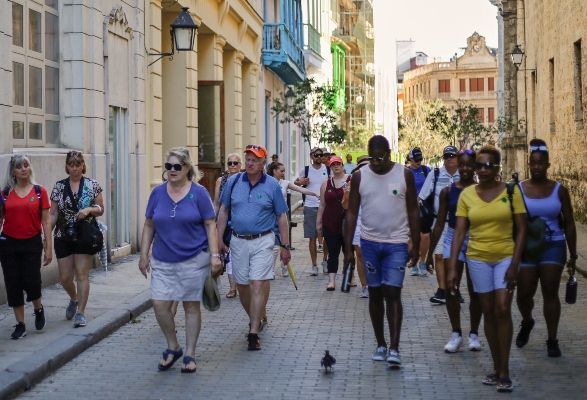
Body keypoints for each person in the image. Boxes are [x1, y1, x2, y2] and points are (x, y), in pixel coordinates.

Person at [447, 145, 526, 392]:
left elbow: (522, 229)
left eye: (487, 165)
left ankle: (505, 370)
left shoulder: (512, 192)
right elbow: (460, 232)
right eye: (479, 165)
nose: (481, 170)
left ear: (498, 168)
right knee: (489, 311)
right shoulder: (467, 195)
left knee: (503, 308)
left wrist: (515, 263)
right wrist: (451, 268)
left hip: (505, 256)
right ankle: (496, 366)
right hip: (477, 259)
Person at [139, 147, 221, 373]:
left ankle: (190, 353)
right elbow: (149, 225)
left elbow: (210, 225)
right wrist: (143, 255)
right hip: (163, 259)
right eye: (169, 167)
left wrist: (214, 256)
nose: (172, 171)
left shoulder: (199, 193)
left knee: (190, 306)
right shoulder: (157, 193)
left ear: (187, 169)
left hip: (194, 259)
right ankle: (173, 345)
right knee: (159, 303)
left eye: (177, 166)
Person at [344, 135, 421, 366]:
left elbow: (413, 211)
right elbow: (351, 212)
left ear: (388, 154)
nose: (375, 163)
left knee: (393, 292)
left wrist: (415, 245)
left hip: (396, 243)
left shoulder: (403, 174)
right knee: (375, 293)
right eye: (372, 158)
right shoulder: (360, 176)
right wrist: (348, 248)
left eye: (380, 158)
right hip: (369, 242)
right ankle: (380, 343)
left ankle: (395, 348)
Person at [217, 144, 291, 351]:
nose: (250, 163)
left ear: (263, 163)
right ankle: (257, 316)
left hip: (263, 240)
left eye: (254, 160)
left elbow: (281, 216)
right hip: (238, 240)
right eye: (247, 159)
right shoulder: (233, 182)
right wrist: (218, 240)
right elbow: (224, 211)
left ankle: (253, 331)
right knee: (242, 286)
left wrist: (285, 246)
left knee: (256, 283)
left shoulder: (272, 185)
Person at [515, 139, 577, 357]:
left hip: (553, 244)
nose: (537, 167)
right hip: (528, 246)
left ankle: (552, 339)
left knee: (550, 291)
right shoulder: (519, 189)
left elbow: (569, 222)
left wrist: (573, 253)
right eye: (533, 163)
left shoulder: (559, 190)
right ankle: (527, 320)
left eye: (541, 163)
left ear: (548, 165)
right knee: (524, 293)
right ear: (529, 164)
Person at [426, 150, 483, 352]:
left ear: (475, 167)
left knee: (475, 289)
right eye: (462, 165)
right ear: (458, 166)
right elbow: (439, 223)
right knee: (451, 286)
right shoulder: (448, 192)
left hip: (475, 236)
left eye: (469, 165)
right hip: (452, 236)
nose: (465, 169)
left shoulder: (481, 190)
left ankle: (474, 334)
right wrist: (429, 254)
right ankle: (456, 332)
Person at [50, 151, 104, 328]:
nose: (74, 168)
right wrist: (46, 236)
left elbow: (100, 208)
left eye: (77, 165)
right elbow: (53, 213)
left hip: (84, 235)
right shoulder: (59, 187)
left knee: (81, 274)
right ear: (66, 166)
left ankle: (80, 312)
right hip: (63, 234)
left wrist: (89, 210)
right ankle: (74, 298)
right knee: (65, 277)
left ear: (83, 166)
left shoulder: (92, 185)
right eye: (71, 165)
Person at [0, 155, 52, 339]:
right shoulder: (5, 193)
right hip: (8, 242)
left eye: (26, 165)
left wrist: (48, 247)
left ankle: (38, 309)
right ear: (13, 171)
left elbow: (46, 221)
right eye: (19, 166)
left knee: (32, 281)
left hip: (31, 241)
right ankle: (20, 324)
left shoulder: (39, 192)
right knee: (13, 283)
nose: (23, 169)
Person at [419, 145, 460, 304]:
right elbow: (422, 197)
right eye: (447, 156)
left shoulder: (464, 175)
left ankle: (454, 289)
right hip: (439, 222)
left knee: (456, 258)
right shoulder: (434, 175)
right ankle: (442, 290)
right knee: (439, 255)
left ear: (458, 158)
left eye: (452, 155)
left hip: (459, 223)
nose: (449, 158)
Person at [268, 162, 319, 277]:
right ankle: (271, 270)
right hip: (270, 216)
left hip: (282, 215)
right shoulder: (267, 182)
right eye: (281, 171)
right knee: (274, 244)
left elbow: (300, 190)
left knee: (284, 242)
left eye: (284, 171)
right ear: (274, 171)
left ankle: (284, 266)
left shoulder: (285, 183)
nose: (283, 173)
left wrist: (313, 193)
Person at [294, 147, 330, 276]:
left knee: (327, 236)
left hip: (326, 207)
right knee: (312, 237)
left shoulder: (327, 169)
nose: (319, 157)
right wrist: (300, 181)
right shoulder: (306, 170)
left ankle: (325, 260)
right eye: (317, 155)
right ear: (311, 156)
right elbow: (295, 183)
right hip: (310, 206)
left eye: (321, 155)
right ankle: (314, 264)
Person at [316, 156, 351, 290]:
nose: (336, 167)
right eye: (333, 165)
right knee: (333, 251)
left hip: (346, 221)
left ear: (342, 165)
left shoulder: (350, 180)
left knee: (348, 250)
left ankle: (350, 277)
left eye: (338, 164)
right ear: (330, 167)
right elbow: (322, 205)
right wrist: (318, 222)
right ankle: (331, 281)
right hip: (330, 221)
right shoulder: (326, 183)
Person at [213, 153, 242, 299]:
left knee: (233, 253)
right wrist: (212, 220)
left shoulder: (244, 179)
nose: (232, 166)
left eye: (235, 163)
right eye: (230, 163)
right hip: (223, 219)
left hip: (238, 219)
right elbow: (217, 202)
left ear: (240, 165)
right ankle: (220, 287)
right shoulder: (221, 180)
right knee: (221, 252)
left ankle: (234, 287)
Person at [342, 156, 371, 298]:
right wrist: (348, 192)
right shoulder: (353, 183)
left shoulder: (378, 181)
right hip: (359, 222)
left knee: (374, 255)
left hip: (375, 222)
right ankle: (365, 285)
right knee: (360, 255)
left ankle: (376, 284)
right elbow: (345, 206)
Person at [406, 147, 431, 276]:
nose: (418, 161)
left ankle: (422, 261)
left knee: (425, 236)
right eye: (416, 159)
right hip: (409, 208)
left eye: (420, 159)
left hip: (423, 208)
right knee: (411, 237)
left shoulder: (426, 170)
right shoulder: (406, 172)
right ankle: (413, 263)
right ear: (410, 159)